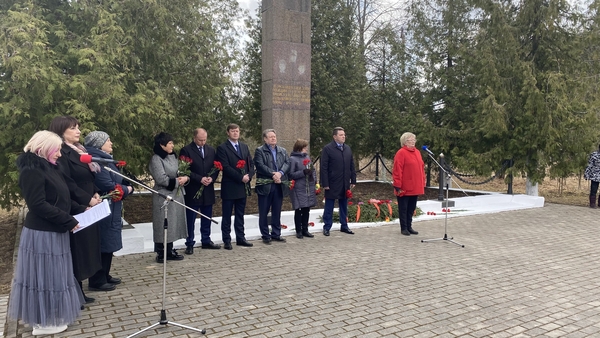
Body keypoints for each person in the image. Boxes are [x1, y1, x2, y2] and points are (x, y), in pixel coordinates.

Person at [8, 131, 84, 336]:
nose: (59, 154)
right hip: (42, 233)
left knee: (54, 276)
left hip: (56, 229)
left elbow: (61, 197)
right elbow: (38, 205)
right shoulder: (31, 171)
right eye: (57, 149)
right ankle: (42, 322)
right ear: (43, 148)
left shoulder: (50, 167)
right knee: (43, 277)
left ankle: (51, 315)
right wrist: (68, 220)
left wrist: (80, 208)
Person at [49, 116, 105, 303]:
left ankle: (80, 290)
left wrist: (96, 193)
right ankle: (75, 293)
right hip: (75, 206)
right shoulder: (61, 152)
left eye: (78, 127)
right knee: (77, 250)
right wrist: (86, 199)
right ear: (61, 131)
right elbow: (68, 183)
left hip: (89, 203)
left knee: (87, 249)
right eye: (73, 128)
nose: (78, 131)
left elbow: (88, 178)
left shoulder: (80, 151)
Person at [84, 131, 134, 288]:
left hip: (112, 206)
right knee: (103, 242)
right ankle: (97, 279)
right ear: (99, 144)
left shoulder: (105, 159)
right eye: (108, 140)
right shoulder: (97, 161)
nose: (111, 143)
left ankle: (105, 274)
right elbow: (107, 184)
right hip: (103, 206)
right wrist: (127, 190)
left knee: (109, 242)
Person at [149, 132, 189, 262]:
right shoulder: (156, 159)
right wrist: (178, 182)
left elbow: (180, 172)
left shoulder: (173, 156)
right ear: (162, 145)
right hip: (163, 196)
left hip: (176, 195)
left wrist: (185, 178)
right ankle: (161, 252)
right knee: (163, 223)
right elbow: (161, 178)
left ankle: (170, 249)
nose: (173, 145)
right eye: (170, 143)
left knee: (173, 224)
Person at [180, 128, 221, 254]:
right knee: (190, 218)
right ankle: (190, 243)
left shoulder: (210, 150)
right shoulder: (186, 150)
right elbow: (184, 170)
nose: (203, 142)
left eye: (204, 140)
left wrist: (211, 178)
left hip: (207, 190)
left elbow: (216, 167)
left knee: (207, 217)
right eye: (200, 140)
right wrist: (199, 179)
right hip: (193, 189)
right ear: (194, 138)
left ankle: (206, 240)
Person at [216, 123, 255, 250]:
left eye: (237, 131)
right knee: (227, 215)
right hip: (230, 186)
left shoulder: (244, 146)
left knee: (240, 214)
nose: (235, 133)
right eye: (232, 131)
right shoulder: (222, 148)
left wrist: (249, 175)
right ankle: (227, 239)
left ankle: (240, 238)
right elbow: (225, 167)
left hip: (243, 186)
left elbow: (250, 163)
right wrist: (240, 177)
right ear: (228, 132)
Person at [254, 129, 291, 244]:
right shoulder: (260, 151)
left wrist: (280, 173)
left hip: (278, 185)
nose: (273, 138)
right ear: (265, 139)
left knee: (276, 211)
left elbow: (287, 163)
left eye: (274, 136)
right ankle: (265, 235)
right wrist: (273, 174)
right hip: (266, 185)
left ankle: (276, 234)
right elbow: (260, 165)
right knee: (264, 211)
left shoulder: (282, 150)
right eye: (270, 137)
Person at [320, 127, 357, 236]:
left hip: (344, 182)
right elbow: (324, 167)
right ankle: (327, 226)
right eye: (341, 135)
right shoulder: (327, 149)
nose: (343, 136)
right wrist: (325, 183)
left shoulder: (347, 149)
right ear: (335, 137)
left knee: (343, 205)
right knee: (329, 206)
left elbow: (351, 165)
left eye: (344, 134)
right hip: (332, 183)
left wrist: (353, 179)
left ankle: (344, 225)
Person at [392, 132, 425, 236]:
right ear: (405, 142)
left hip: (415, 186)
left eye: (414, 140)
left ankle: (409, 226)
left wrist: (422, 181)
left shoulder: (418, 152)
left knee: (411, 208)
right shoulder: (401, 153)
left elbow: (421, 168)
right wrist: (397, 184)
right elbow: (397, 169)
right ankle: (404, 227)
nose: (413, 142)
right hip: (404, 186)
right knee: (403, 208)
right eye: (410, 140)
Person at [288, 139, 317, 239]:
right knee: (299, 209)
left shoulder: (307, 157)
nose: (306, 149)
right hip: (298, 188)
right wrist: (303, 172)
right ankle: (298, 230)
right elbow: (291, 174)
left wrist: (315, 180)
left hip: (308, 186)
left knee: (306, 209)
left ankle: (305, 229)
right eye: (305, 148)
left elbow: (313, 170)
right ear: (300, 148)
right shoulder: (292, 159)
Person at [584, 143, 600, 208]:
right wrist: (586, 174)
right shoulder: (594, 155)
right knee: (593, 190)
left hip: (595, 175)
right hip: (595, 176)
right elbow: (590, 165)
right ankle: (592, 204)